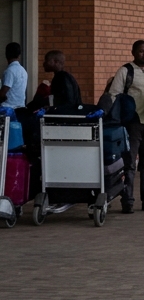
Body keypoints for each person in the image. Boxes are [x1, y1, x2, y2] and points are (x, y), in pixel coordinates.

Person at [107, 40, 144, 214]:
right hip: (133, 124)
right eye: (141, 51)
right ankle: (127, 201)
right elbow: (113, 95)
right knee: (130, 164)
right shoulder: (126, 71)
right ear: (133, 52)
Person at [26, 50, 82, 214]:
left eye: (47, 60)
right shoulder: (68, 78)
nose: (44, 63)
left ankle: (61, 194)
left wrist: (50, 110)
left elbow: (64, 103)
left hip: (64, 126)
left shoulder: (60, 79)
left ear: (56, 62)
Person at [1, 42, 27, 107]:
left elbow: (3, 92)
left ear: (6, 54)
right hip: (20, 106)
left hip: (8, 107)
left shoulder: (9, 71)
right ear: (19, 55)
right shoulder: (23, 71)